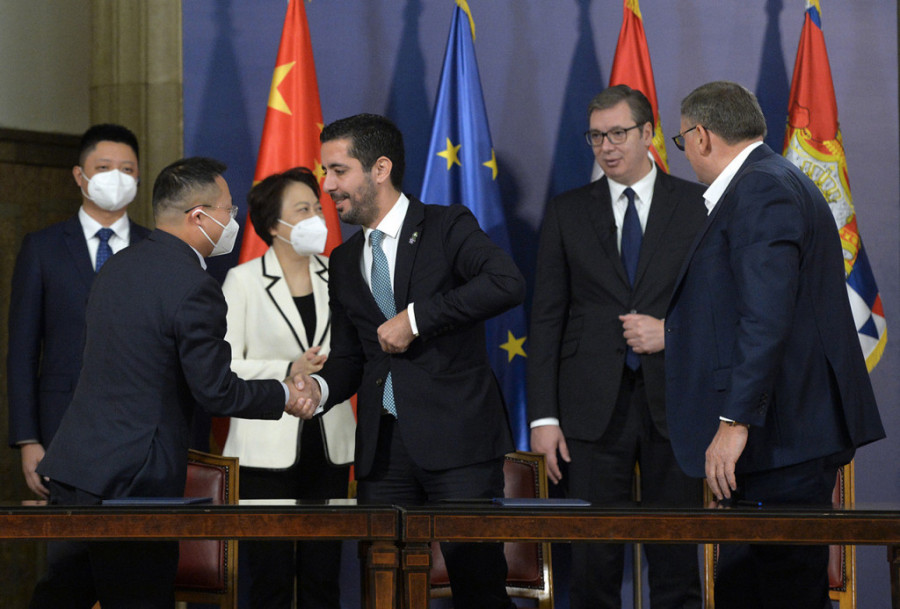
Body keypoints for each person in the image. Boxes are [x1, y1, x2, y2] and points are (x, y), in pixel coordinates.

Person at [29, 157, 317, 609]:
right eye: (227, 209)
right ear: (198, 216)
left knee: (61, 597)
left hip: (77, 469)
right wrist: (284, 392)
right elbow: (216, 391)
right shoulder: (194, 285)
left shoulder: (116, 266)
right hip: (134, 483)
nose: (233, 219)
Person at [667, 81, 885, 608]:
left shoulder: (760, 189)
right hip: (783, 437)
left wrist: (733, 421)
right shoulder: (773, 180)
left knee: (782, 592)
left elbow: (765, 317)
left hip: (782, 439)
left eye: (681, 140)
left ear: (701, 136)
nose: (685, 152)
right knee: (752, 588)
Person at [296, 113, 524, 609]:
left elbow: (506, 282)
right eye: (326, 172)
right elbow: (352, 356)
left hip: (458, 444)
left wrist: (416, 319)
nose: (327, 185)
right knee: (385, 591)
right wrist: (320, 389)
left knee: (478, 589)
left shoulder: (446, 226)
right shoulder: (343, 259)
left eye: (338, 171)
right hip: (383, 454)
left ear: (380, 169)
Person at [528, 85, 707, 609]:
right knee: (591, 565)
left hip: (676, 405)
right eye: (596, 136)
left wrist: (670, 333)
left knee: (675, 563)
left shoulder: (696, 205)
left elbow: (721, 308)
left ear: (648, 134)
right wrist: (544, 418)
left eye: (618, 134)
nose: (606, 147)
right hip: (589, 411)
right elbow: (547, 318)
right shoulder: (566, 211)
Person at [221, 167, 355, 609]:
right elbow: (225, 365)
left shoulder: (339, 274)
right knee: (270, 579)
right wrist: (286, 368)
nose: (317, 216)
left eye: (318, 207)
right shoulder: (243, 280)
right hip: (264, 449)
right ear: (274, 225)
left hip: (330, 442)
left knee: (323, 578)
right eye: (303, 210)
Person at [7, 123, 151, 499]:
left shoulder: (155, 248)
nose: (116, 178)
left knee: (140, 535)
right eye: (103, 168)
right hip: (62, 430)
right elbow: (23, 351)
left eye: (127, 169)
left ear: (138, 178)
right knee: (71, 534)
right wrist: (28, 439)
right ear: (79, 175)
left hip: (141, 436)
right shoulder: (42, 248)